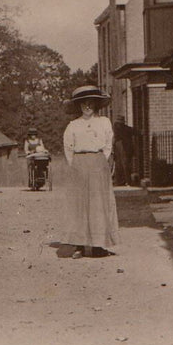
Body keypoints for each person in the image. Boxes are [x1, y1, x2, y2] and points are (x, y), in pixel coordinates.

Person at [62, 85, 120, 259]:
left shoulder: (104, 122)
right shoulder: (73, 125)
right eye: (83, 104)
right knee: (79, 204)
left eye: (90, 103)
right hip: (79, 164)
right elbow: (68, 148)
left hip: (98, 163)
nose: (87, 107)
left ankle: (98, 246)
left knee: (99, 204)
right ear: (79, 106)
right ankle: (79, 246)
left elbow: (109, 143)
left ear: (95, 104)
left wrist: (101, 160)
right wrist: (76, 165)